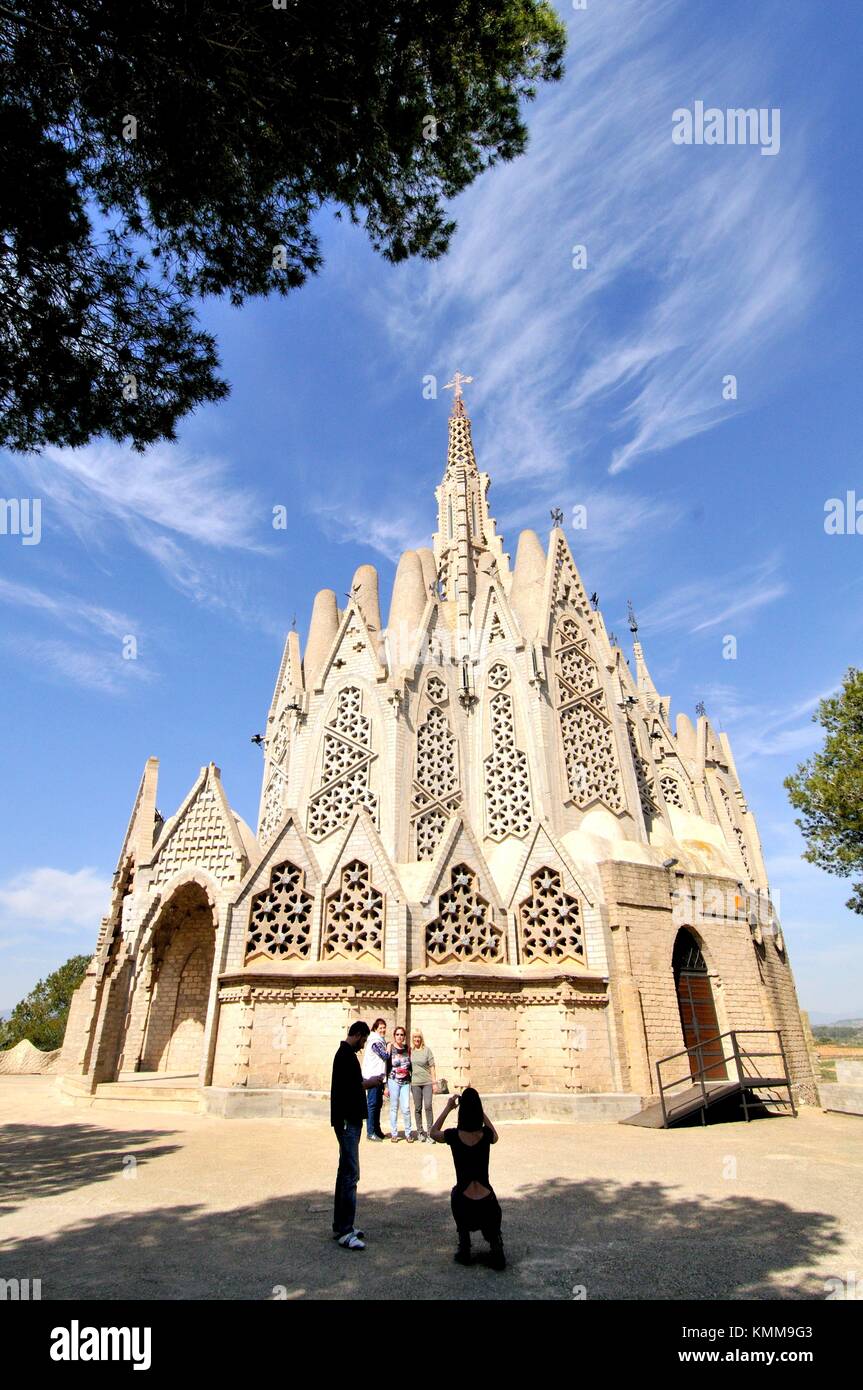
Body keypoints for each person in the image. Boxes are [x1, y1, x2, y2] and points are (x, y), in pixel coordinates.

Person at [430, 1085, 505, 1269]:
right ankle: (496, 1245)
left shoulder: (454, 1136)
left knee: (455, 1193)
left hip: (465, 1203)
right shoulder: (485, 1135)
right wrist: (480, 1111)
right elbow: (495, 1135)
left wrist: (448, 1108)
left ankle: (464, 1246)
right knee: (490, 1211)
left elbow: (433, 1132)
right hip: (488, 1202)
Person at [330, 1020, 380, 1249]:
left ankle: (340, 1226)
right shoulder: (345, 1056)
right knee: (351, 1174)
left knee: (344, 1172)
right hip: (348, 1122)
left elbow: (352, 1085)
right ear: (358, 1034)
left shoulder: (345, 1055)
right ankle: (346, 1231)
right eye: (363, 1040)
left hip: (346, 1121)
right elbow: (353, 1087)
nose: (363, 1045)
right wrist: (371, 1083)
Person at [385, 1025, 414, 1142]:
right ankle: (394, 1133)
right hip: (393, 1081)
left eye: (402, 1034)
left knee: (406, 1108)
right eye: (397, 1034)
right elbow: (386, 1066)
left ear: (404, 1036)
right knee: (394, 1107)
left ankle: (408, 1133)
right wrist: (385, 1086)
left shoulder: (408, 1049)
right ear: (394, 1036)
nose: (399, 1036)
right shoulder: (390, 1048)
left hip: (406, 1081)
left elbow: (412, 1066)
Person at [362, 1017, 388, 1140]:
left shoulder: (379, 1040)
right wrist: (389, 1047)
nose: (383, 1030)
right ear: (375, 1029)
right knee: (372, 1104)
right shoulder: (375, 1041)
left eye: (384, 1028)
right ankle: (370, 1132)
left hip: (378, 1077)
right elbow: (385, 1055)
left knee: (377, 1104)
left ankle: (377, 1130)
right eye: (380, 1028)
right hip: (373, 1077)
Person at [409, 1028, 437, 1141]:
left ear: (421, 1038)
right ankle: (420, 1132)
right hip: (415, 1083)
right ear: (413, 1039)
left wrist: (434, 1083)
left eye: (418, 1037)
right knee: (418, 1108)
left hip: (427, 1083)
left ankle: (430, 1132)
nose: (417, 1039)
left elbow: (432, 1067)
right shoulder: (411, 1051)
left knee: (428, 1106)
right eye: (415, 1037)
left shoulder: (427, 1050)